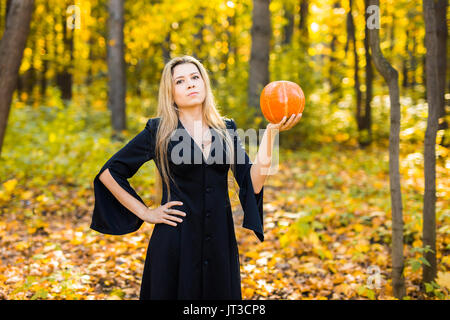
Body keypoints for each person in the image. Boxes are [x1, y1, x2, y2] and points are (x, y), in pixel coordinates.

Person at [90, 55, 302, 300]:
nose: (190, 84)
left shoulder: (226, 129)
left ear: (204, 83)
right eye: (180, 81)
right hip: (175, 243)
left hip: (219, 241)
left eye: (195, 77)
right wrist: (146, 212)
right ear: (170, 92)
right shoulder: (159, 131)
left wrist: (271, 132)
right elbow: (109, 173)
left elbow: (252, 182)